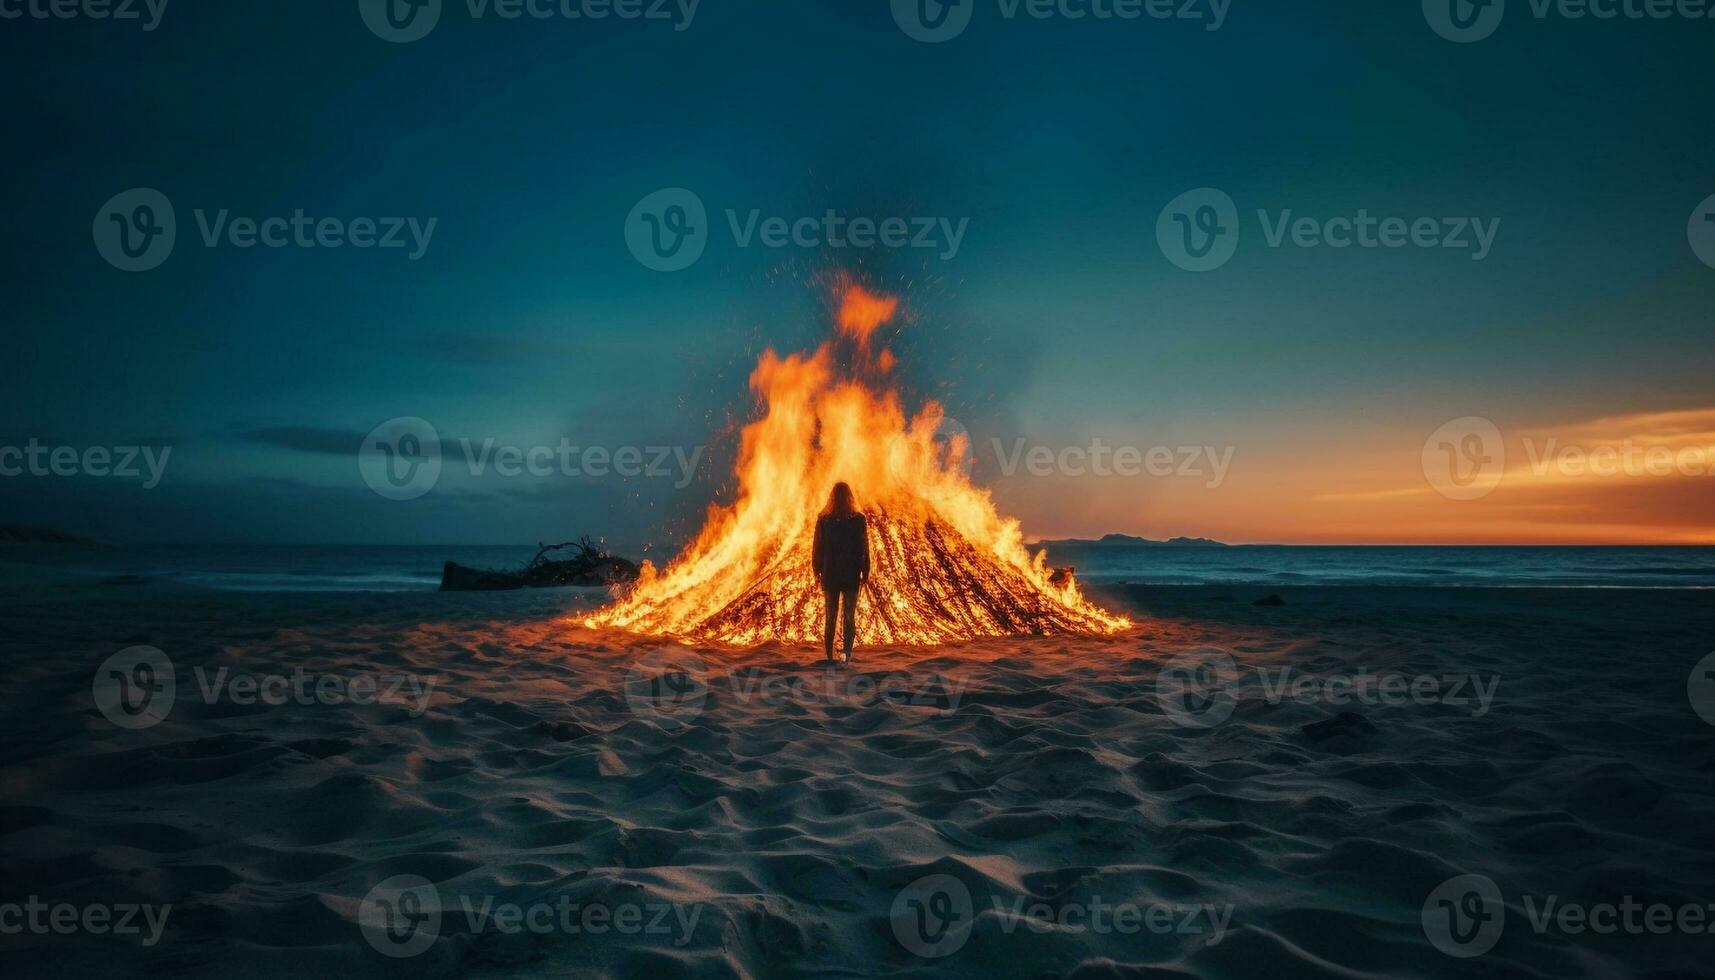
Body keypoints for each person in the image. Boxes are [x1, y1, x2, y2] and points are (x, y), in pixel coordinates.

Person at [811, 482, 869, 663]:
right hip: (851, 574)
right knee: (849, 617)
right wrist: (865, 570)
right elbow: (864, 548)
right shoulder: (858, 520)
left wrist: (816, 569)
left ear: (832, 497)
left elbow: (817, 547)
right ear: (850, 497)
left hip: (831, 575)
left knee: (831, 617)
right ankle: (846, 657)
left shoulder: (824, 520)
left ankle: (829, 657)